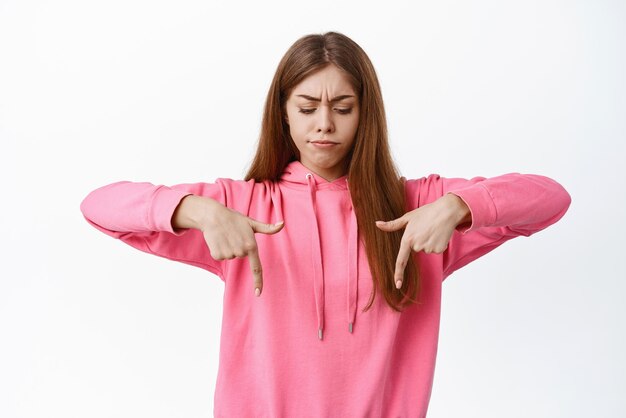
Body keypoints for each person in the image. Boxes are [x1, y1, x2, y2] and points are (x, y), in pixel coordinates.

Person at [80, 31, 571, 417]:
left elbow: (551, 198)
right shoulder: (242, 207)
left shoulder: (417, 207)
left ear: (365, 114)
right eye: (307, 107)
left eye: (342, 108)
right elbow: (99, 205)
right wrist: (196, 210)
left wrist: (461, 207)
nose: (324, 124)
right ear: (284, 115)